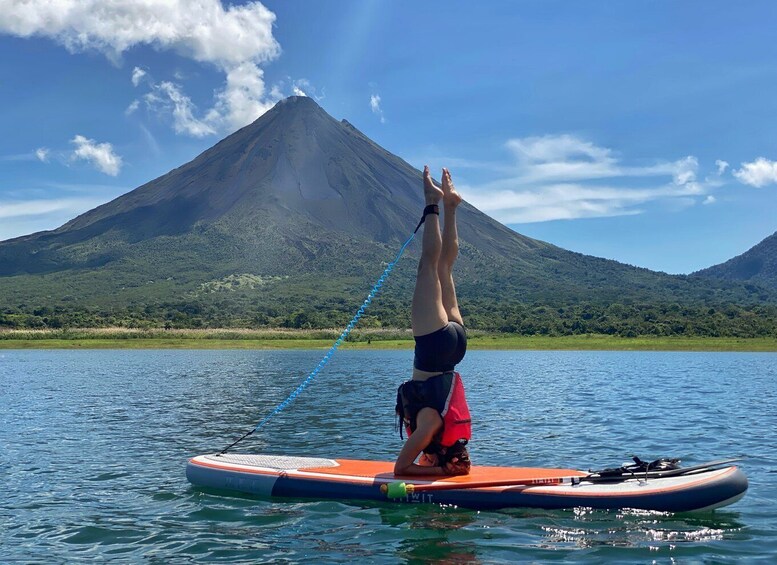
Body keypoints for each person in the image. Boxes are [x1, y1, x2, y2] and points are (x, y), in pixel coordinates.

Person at [394, 166, 472, 477]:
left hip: (457, 346)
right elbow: (402, 468)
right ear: (436, 455)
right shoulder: (428, 430)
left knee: (445, 268)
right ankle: (433, 203)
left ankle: (451, 207)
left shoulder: (451, 433)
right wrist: (440, 473)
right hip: (434, 346)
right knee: (428, 266)